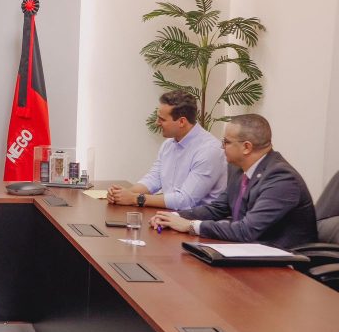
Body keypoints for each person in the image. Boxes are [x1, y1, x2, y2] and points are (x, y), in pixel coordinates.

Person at [151, 114, 318, 249]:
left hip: (283, 265)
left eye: (226, 142)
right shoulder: (240, 170)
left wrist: (191, 226)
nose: (222, 147)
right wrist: (173, 217)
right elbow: (218, 208)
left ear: (246, 147)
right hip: (249, 250)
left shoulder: (281, 178)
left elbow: (246, 230)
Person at [107, 90, 226, 210]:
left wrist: (135, 198)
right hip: (171, 217)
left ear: (181, 122)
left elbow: (185, 200)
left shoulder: (210, 151)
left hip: (197, 223)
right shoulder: (168, 145)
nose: (157, 123)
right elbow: (154, 178)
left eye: (162, 119)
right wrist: (122, 194)